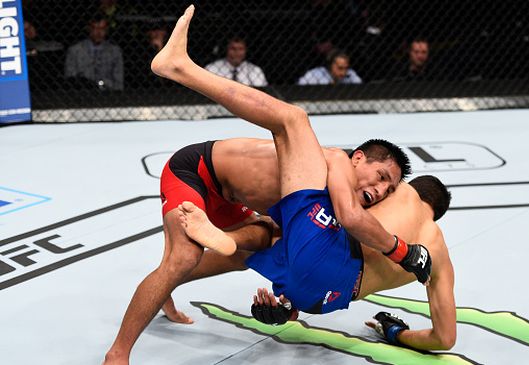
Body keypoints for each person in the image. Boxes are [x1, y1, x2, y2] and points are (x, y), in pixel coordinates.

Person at [103, 6, 416, 364]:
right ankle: (118, 353)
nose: (379, 190)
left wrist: (284, 308)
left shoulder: (324, 207)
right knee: (185, 256)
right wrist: (403, 251)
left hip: (231, 201)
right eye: (382, 177)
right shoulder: (330, 161)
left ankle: (166, 284)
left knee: (252, 246)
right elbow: (347, 212)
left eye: (388, 190)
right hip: (196, 171)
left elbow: (295, 265)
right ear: (359, 157)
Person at [179, 175, 456, 351]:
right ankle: (289, 306)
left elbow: (347, 201)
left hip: (329, 254)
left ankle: (180, 270)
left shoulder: (400, 191)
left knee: (267, 232)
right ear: (438, 216)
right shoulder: (439, 254)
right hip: (327, 298)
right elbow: (444, 339)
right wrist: (396, 333)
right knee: (302, 260)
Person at [64, 15, 124, 90]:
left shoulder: (115, 51)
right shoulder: (75, 50)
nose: (99, 32)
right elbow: (70, 78)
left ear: (107, 30)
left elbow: (119, 84)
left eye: (102, 29)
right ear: (89, 29)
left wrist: (99, 83)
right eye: (95, 28)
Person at [297, 49, 362, 85]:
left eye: (346, 68)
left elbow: (360, 85)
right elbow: (300, 86)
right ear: (330, 65)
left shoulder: (350, 74)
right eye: (340, 68)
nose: (344, 73)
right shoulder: (315, 74)